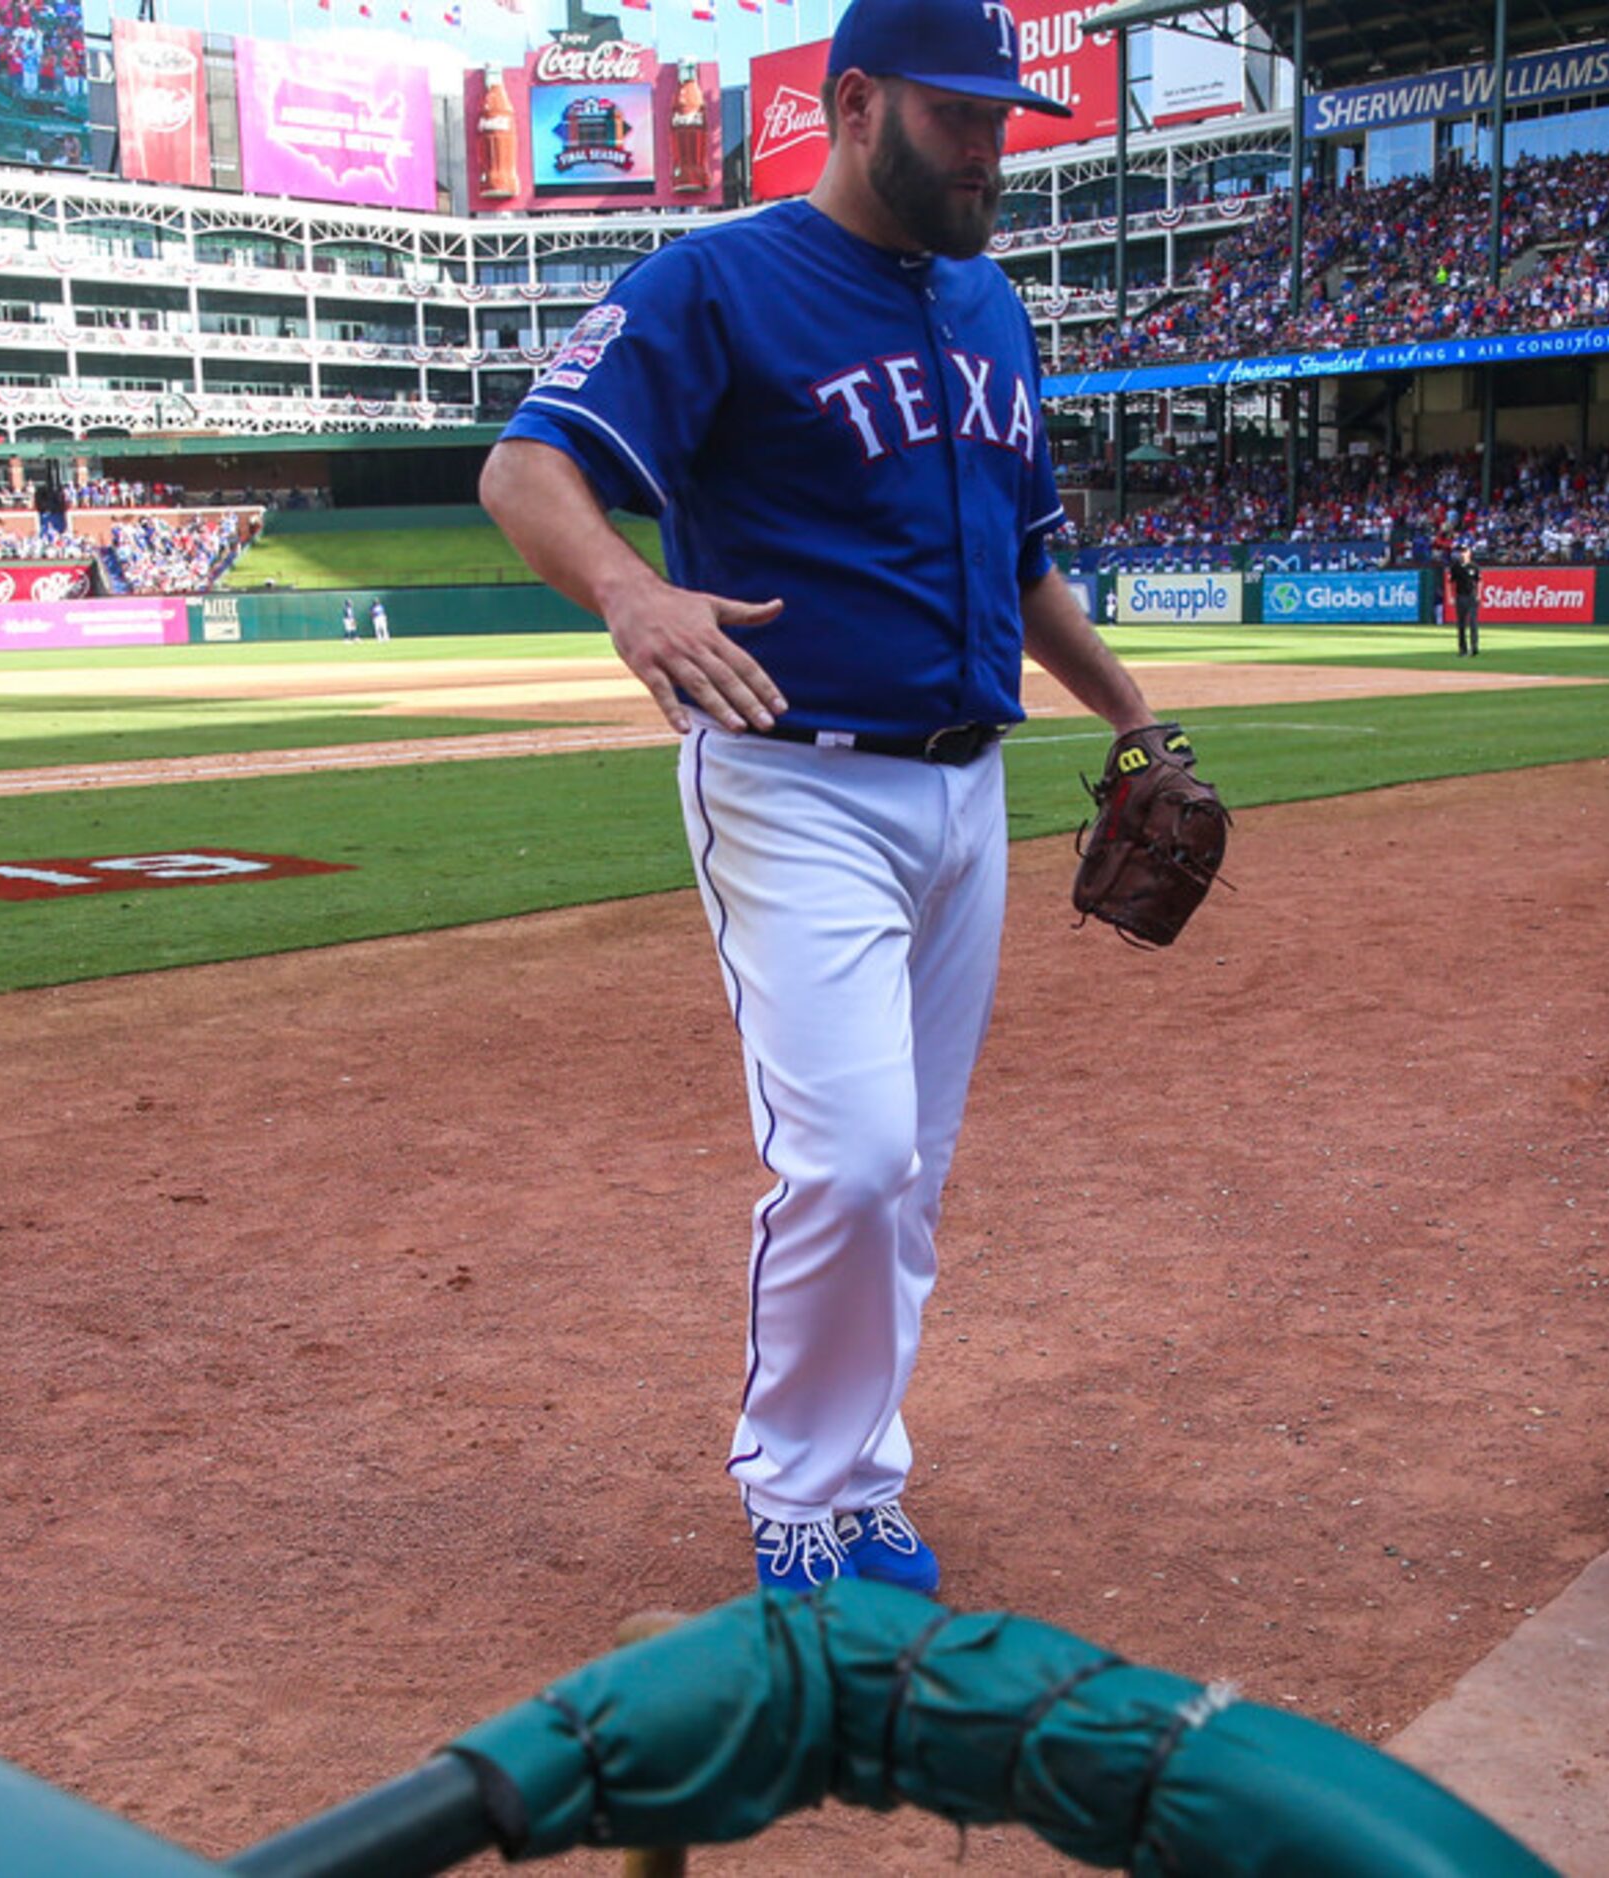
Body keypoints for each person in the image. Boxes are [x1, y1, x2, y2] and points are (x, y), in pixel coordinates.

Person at [478, 0, 1164, 1596]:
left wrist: (1136, 716)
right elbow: (528, 467)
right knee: (847, 1154)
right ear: (856, 106)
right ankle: (794, 1487)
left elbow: (1028, 562)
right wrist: (629, 595)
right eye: (958, 116)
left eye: (1005, 116)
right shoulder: (717, 277)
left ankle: (864, 1475)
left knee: (909, 1167)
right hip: (794, 781)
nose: (993, 147)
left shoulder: (993, 307)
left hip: (967, 792)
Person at [1450, 542, 1480, 657]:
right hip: (1460, 596)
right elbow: (1451, 582)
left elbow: (1479, 581)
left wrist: (1478, 594)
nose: (1462, 554)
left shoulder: (1474, 567)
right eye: (1461, 552)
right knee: (1461, 624)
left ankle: (1474, 646)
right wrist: (1451, 596)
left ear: (1469, 553)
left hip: (1471, 596)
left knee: (1473, 622)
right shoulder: (1456, 567)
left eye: (1465, 551)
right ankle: (1463, 649)